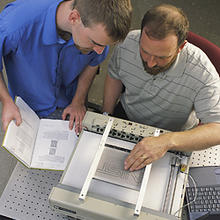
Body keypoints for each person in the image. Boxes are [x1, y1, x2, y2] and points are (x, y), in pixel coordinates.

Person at [102, 4, 220, 171]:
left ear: (181, 47)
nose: (150, 63)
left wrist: (167, 140)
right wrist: (106, 116)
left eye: (161, 57)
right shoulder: (128, 42)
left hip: (173, 135)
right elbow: (114, 76)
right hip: (128, 117)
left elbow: (217, 128)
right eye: (144, 51)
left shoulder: (202, 72)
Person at [0, 0, 132, 134]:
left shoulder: (98, 33)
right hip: (29, 108)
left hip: (71, 101)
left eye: (105, 45)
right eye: (95, 43)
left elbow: (93, 63)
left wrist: (78, 100)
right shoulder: (14, 24)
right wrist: (6, 101)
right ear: (74, 17)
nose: (100, 51)